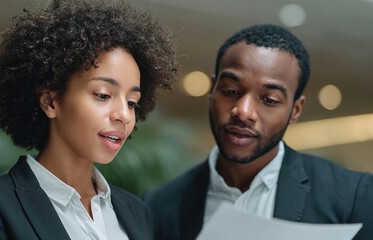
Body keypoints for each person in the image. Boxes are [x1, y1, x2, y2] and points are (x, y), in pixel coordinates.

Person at [0, 0, 178, 239]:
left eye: (132, 102)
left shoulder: (136, 211)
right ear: (51, 101)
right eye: (103, 95)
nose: (123, 115)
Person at [144, 24, 373, 240]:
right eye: (230, 90)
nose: (243, 112)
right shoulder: (160, 204)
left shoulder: (352, 196)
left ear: (295, 110)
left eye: (269, 99)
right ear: (212, 90)